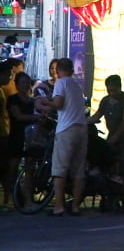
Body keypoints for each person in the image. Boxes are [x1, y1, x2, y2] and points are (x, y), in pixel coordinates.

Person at [36, 58, 87, 216]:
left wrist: (44, 101)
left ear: (58, 71)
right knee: (78, 169)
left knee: (60, 169)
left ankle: (59, 206)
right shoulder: (77, 86)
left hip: (66, 129)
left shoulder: (60, 82)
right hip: (82, 129)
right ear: (72, 70)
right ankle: (76, 207)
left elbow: (58, 103)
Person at [88, 74, 124, 211]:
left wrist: (116, 136)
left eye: (114, 90)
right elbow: (97, 115)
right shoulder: (105, 101)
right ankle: (108, 195)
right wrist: (83, 122)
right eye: (109, 90)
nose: (112, 93)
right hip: (112, 137)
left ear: (119, 88)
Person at [6, 72, 40, 209]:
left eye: (27, 82)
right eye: (22, 82)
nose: (25, 85)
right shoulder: (13, 99)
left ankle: (27, 200)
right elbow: (18, 116)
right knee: (12, 169)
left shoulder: (32, 100)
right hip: (16, 137)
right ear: (16, 84)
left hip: (30, 138)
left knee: (30, 170)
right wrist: (35, 118)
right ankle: (8, 200)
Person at [0, 61, 12, 210]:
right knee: (4, 167)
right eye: (8, 75)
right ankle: (5, 200)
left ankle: (6, 200)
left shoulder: (2, 90)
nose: (9, 78)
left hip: (4, 132)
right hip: (2, 133)